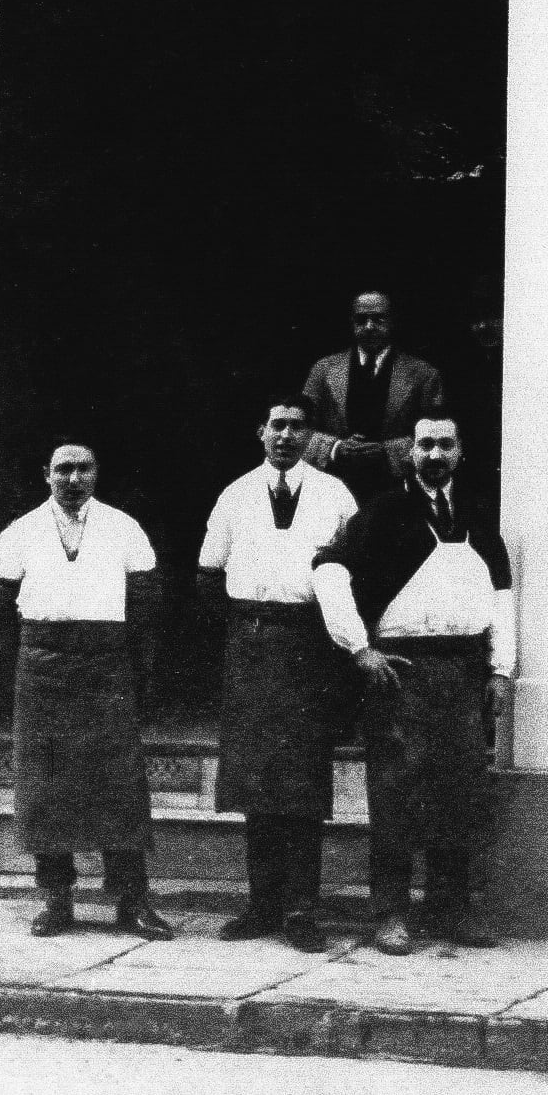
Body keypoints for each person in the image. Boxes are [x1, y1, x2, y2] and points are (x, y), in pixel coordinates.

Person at [314, 414, 513, 954]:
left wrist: (500, 670)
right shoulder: (382, 513)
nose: (434, 454)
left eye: (445, 444)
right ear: (410, 453)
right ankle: (390, 914)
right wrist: (359, 648)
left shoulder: (477, 515)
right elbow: (328, 571)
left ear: (460, 451)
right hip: (400, 672)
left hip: (464, 672)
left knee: (459, 792)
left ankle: (450, 910)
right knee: (397, 794)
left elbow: (501, 597)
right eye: (424, 444)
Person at [0, 440, 174, 940]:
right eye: (64, 469)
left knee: (120, 784)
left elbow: (147, 607)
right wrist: (17, 668)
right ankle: (55, 900)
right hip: (42, 667)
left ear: (96, 473)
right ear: (46, 473)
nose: (73, 478)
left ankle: (132, 902)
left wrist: (133, 668)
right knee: (45, 786)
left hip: (108, 666)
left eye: (84, 468)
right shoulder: (19, 532)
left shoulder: (124, 528)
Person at [196, 398, 360, 952]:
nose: (286, 436)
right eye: (277, 426)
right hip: (252, 643)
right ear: (260, 432)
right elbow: (208, 575)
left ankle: (301, 908)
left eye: (296, 427)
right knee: (256, 777)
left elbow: (351, 572)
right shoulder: (235, 494)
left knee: (303, 779)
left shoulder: (336, 494)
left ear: (309, 435)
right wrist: (248, 631)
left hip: (310, 647)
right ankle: (262, 903)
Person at [300, 290, 449, 506]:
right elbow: (300, 429)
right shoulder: (323, 370)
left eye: (379, 319)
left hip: (398, 490)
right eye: (361, 319)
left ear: (393, 321)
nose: (369, 326)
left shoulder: (424, 374)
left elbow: (438, 435)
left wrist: (386, 452)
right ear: (351, 322)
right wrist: (335, 448)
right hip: (332, 488)